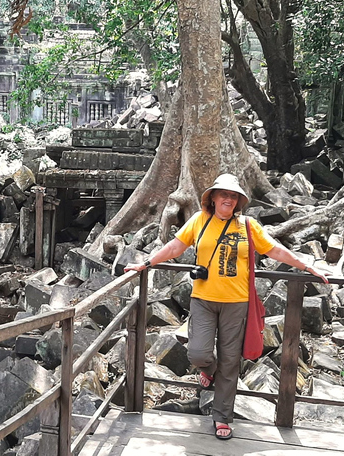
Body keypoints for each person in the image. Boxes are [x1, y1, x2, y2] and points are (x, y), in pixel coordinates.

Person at [125, 174, 328, 440]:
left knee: (231, 360)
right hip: (203, 300)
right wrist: (146, 263)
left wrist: (305, 264)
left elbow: (274, 250)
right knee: (198, 353)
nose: (228, 199)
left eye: (233, 196)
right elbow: (175, 246)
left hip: (237, 303)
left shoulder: (248, 226)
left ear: (238, 201)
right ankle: (209, 371)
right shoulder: (200, 220)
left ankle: (222, 417)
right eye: (224, 194)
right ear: (213, 198)